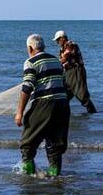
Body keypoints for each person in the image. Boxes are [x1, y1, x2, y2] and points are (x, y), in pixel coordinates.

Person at [15, 34, 71, 177]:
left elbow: (27, 87)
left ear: (30, 47)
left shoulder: (30, 62)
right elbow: (63, 83)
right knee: (55, 144)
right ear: (43, 46)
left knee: (27, 142)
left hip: (44, 104)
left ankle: (28, 179)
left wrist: (20, 112)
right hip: (63, 105)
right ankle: (55, 178)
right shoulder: (56, 61)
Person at [53, 30, 97, 114]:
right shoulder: (62, 49)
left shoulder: (71, 45)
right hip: (68, 73)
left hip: (76, 71)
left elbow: (65, 58)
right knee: (64, 95)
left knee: (82, 95)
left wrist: (53, 64)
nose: (57, 42)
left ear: (62, 38)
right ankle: (64, 114)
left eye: (58, 40)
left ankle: (93, 113)